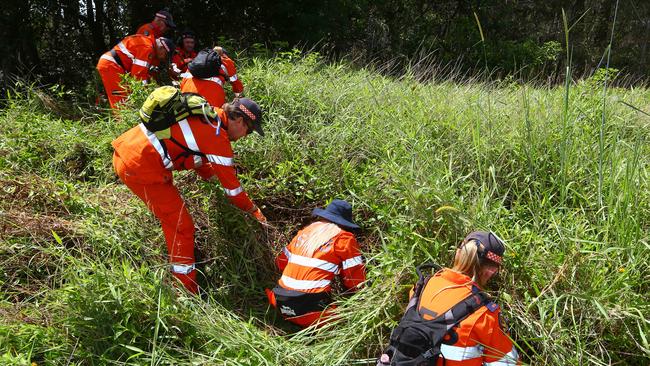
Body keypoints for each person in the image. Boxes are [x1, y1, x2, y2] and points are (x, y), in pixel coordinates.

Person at [111, 96, 267, 294]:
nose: (246, 135)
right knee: (181, 226)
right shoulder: (217, 135)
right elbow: (234, 192)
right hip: (140, 167)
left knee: (176, 221)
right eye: (249, 130)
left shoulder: (208, 115)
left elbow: (198, 158)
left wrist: (213, 180)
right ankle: (186, 291)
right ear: (239, 120)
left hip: (129, 150)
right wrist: (254, 211)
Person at [378, 231, 520, 366]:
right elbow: (506, 361)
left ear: (458, 254)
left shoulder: (422, 287)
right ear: (491, 270)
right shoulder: (483, 313)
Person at [266, 199, 366, 328]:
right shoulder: (344, 238)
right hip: (312, 312)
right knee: (344, 323)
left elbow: (281, 263)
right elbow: (355, 282)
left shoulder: (304, 233)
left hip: (281, 303)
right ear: (345, 223)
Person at [96, 35, 174, 109]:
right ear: (162, 48)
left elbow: (141, 74)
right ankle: (121, 121)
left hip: (113, 64)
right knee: (121, 99)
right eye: (166, 55)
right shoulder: (147, 48)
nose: (164, 59)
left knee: (126, 96)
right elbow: (138, 76)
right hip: (111, 65)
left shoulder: (147, 43)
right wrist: (148, 94)